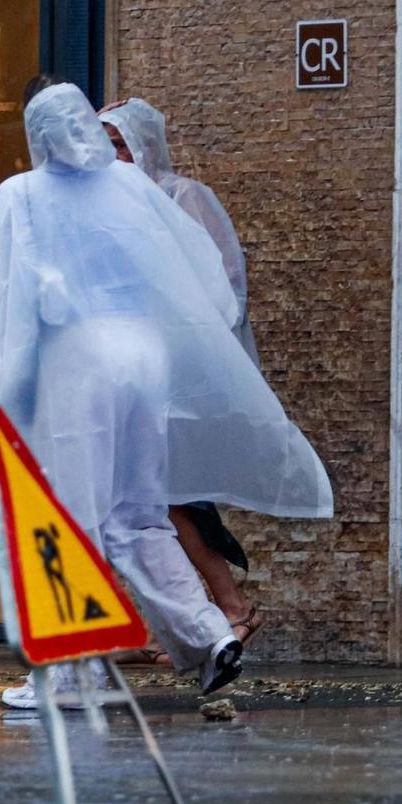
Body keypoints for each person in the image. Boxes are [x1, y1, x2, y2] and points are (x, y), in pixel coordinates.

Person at [0, 82, 331, 703]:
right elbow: (200, 273)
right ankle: (210, 633)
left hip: (75, 369)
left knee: (66, 515)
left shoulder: (21, 197)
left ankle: (70, 672)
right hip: (142, 364)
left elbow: (13, 303)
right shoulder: (132, 187)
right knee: (136, 516)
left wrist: (9, 399)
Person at [99, 97, 264, 647]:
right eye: (105, 147)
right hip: (126, 377)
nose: (112, 158)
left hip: (174, 378)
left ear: (143, 146)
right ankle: (186, 624)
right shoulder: (106, 210)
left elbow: (224, 285)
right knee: (135, 505)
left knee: (170, 500)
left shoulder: (181, 196)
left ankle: (229, 611)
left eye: (120, 144)